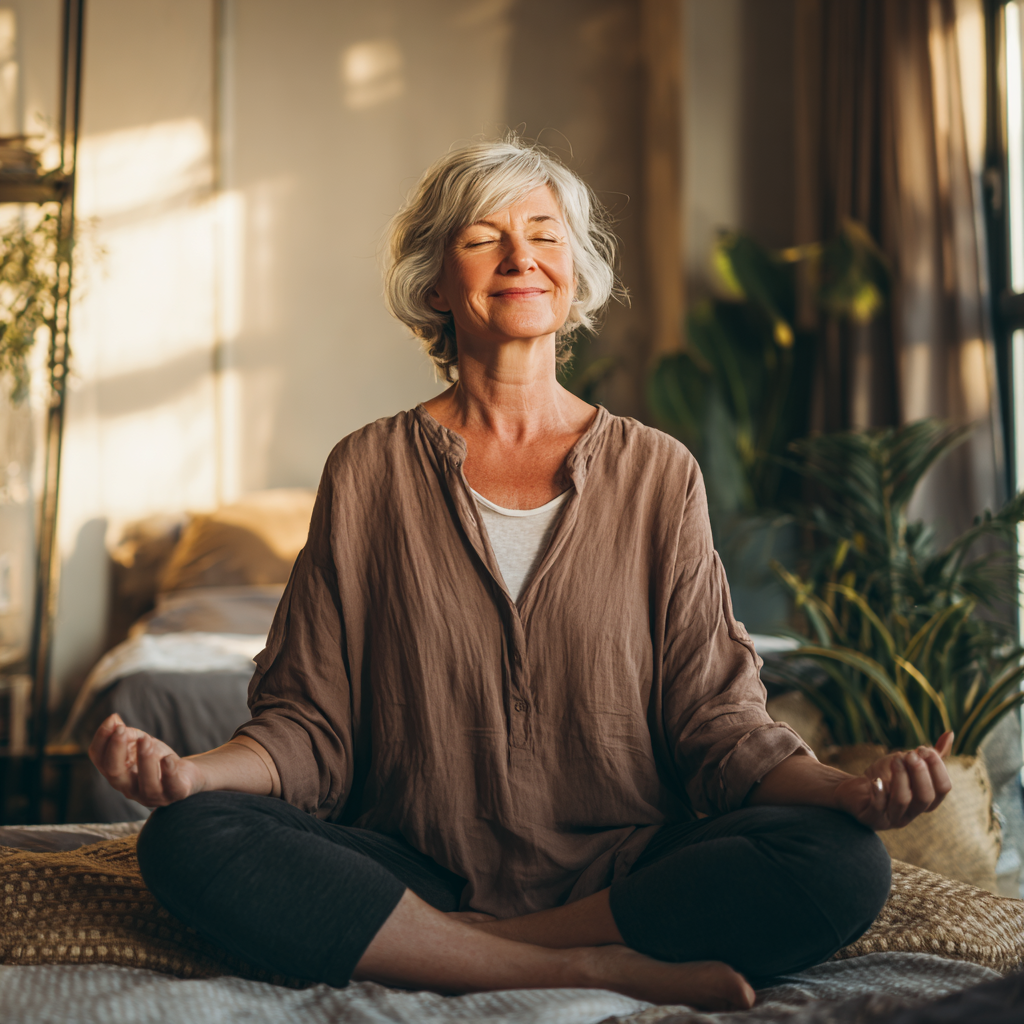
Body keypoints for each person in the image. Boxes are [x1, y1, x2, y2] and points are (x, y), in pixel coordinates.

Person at [90, 137, 953, 1011]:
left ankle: (462, 951)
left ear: (572, 275)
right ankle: (580, 965)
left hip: (626, 869)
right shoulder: (367, 471)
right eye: (482, 237)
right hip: (412, 864)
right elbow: (308, 727)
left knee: (842, 860)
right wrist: (194, 774)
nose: (521, 258)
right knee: (189, 838)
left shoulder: (659, 473)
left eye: (544, 233)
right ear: (433, 283)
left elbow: (720, 726)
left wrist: (849, 789)